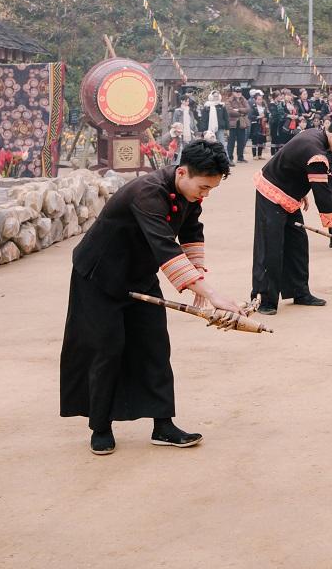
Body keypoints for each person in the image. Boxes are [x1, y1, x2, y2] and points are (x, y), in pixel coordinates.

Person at [60, 140, 241, 456]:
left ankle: (164, 425)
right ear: (182, 172)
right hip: (100, 276)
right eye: (203, 187)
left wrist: (197, 271)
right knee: (107, 348)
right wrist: (212, 294)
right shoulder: (147, 193)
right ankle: (100, 427)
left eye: (211, 188)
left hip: (139, 275)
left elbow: (191, 231)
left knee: (155, 346)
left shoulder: (188, 191)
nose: (205, 194)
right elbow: (165, 248)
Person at [250, 114, 332, 315]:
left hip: (288, 194)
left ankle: (299, 291)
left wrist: (299, 192)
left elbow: (295, 165)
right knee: (271, 245)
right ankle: (264, 298)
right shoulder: (316, 153)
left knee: (298, 242)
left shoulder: (316, 136)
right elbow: (323, 195)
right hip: (271, 192)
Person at [224, 88, 250, 164]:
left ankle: (240, 157)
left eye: (240, 92)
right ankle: (230, 158)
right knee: (231, 142)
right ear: (233, 92)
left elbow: (248, 109)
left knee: (241, 141)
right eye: (237, 92)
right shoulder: (229, 100)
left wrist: (238, 109)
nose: (239, 93)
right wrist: (241, 112)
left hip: (242, 123)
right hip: (232, 124)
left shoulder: (243, 99)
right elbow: (229, 111)